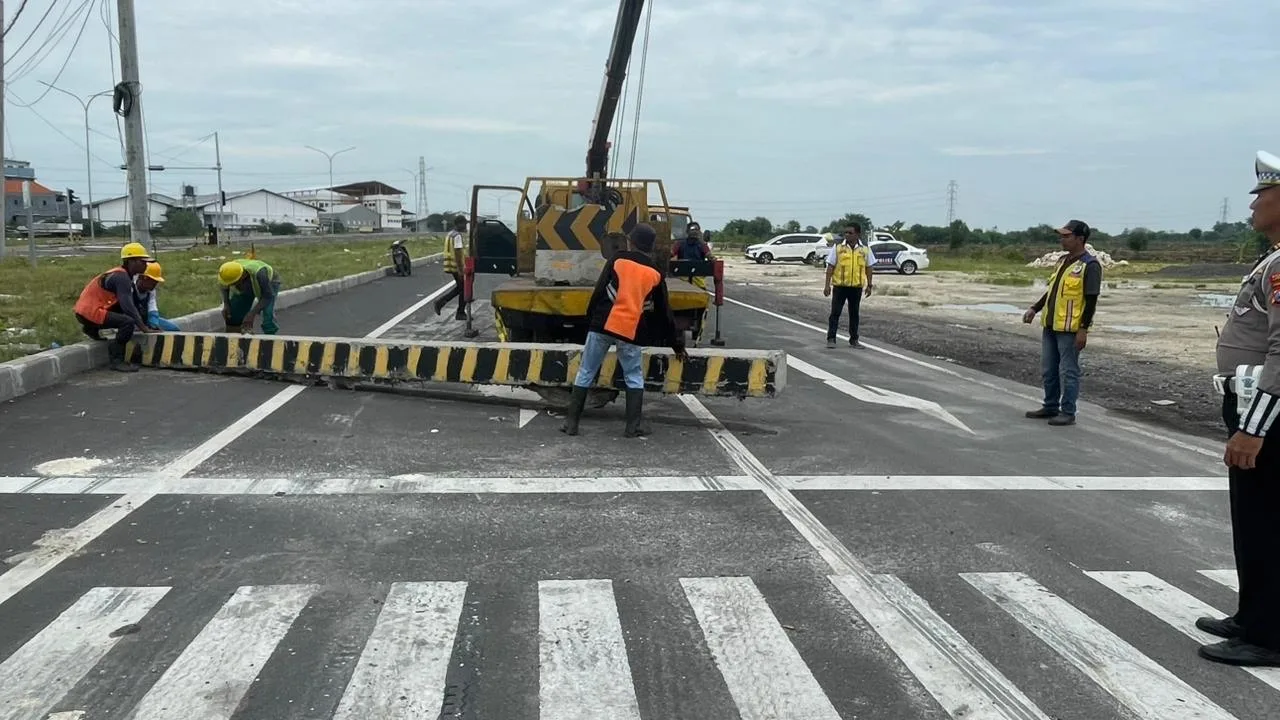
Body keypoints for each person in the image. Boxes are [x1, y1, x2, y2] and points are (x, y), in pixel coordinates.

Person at [1196, 150, 1280, 668]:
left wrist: (1253, 429)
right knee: (1250, 519)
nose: (1252, 206)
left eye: (1262, 195)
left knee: (1268, 521)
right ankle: (1252, 617)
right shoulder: (1272, 258)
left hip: (1267, 415)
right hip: (1251, 405)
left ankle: (1269, 636)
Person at [561, 224, 687, 438]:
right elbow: (664, 313)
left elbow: (599, 291)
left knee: (586, 371)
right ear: (651, 246)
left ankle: (571, 424)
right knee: (633, 376)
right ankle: (632, 427)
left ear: (631, 242)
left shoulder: (617, 259)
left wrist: (590, 320)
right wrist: (676, 344)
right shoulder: (655, 273)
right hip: (630, 330)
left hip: (602, 325)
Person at [1022, 220, 1102, 426]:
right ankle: (1050, 406)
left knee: (1068, 371)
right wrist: (1035, 308)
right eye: (1062, 236)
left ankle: (1068, 411)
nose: (1062, 240)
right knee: (1049, 369)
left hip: (1070, 329)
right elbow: (1052, 291)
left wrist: (1083, 329)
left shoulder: (1090, 265)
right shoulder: (1063, 261)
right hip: (1051, 325)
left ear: (1080, 239)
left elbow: (1091, 300)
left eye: (1067, 236)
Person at [72, 242, 154, 372]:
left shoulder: (121, 275)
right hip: (91, 313)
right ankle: (116, 360)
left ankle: (90, 328)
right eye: (142, 261)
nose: (146, 265)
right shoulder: (121, 277)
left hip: (83, 312)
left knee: (123, 312)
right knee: (127, 322)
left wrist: (146, 324)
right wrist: (143, 328)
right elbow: (127, 306)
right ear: (131, 261)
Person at [823, 224, 874, 348]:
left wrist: (869, 285)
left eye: (850, 233)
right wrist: (827, 285)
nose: (847, 235)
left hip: (856, 287)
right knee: (835, 313)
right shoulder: (838, 247)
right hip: (840, 286)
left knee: (854, 314)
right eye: (845, 232)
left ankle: (854, 339)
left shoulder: (865, 249)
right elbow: (830, 266)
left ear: (858, 234)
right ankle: (831, 338)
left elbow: (869, 267)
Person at [218, 258, 282, 334]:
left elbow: (267, 297)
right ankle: (235, 335)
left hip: (270, 282)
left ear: (242, 277)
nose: (233, 286)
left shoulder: (260, 274)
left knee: (268, 312)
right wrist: (226, 304)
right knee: (233, 312)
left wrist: (251, 315)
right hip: (248, 282)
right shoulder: (228, 272)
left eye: (234, 283)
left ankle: (270, 335)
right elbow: (224, 287)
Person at [433, 214, 467, 319]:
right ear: (459, 224)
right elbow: (457, 252)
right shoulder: (457, 236)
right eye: (464, 224)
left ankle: (443, 303)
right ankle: (459, 312)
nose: (465, 226)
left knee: (461, 288)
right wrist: (461, 270)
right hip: (456, 266)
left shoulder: (450, 234)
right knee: (464, 288)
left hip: (450, 265)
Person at [133, 261, 179, 331]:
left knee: (173, 329)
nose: (155, 285)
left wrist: (154, 323)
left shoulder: (151, 291)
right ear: (143, 278)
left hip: (145, 320)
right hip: (132, 321)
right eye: (153, 282)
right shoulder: (130, 288)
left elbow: (152, 307)